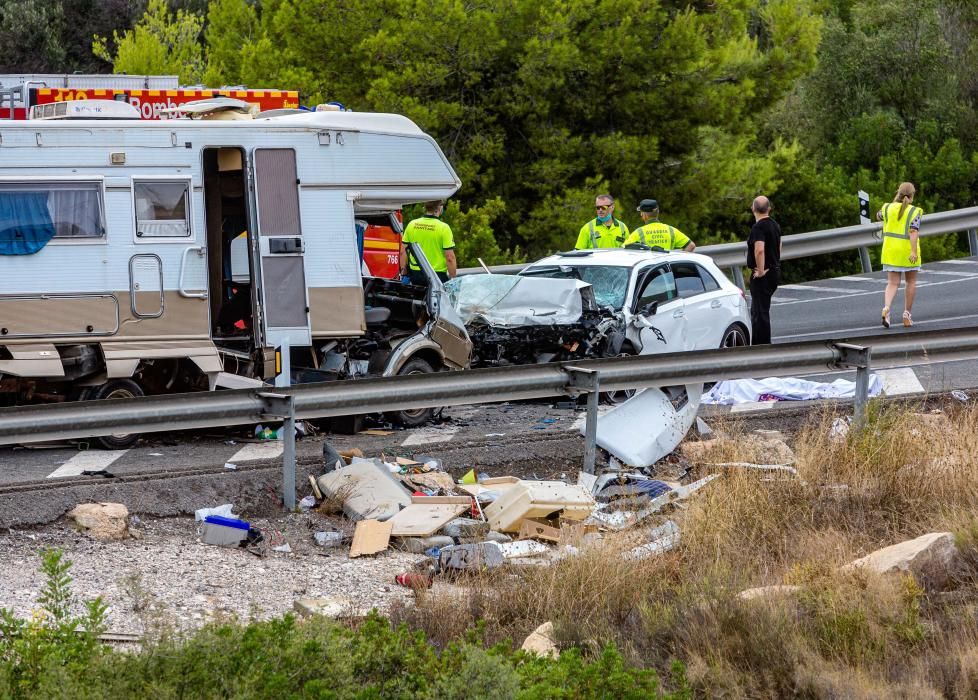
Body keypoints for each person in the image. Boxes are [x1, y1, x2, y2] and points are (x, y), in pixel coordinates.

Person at [878, 182, 922, 328]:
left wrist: (894, 202)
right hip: (906, 252)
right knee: (910, 282)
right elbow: (913, 232)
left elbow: (879, 216)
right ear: (912, 195)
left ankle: (887, 309)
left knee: (892, 283)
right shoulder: (914, 211)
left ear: (898, 193)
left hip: (890, 251)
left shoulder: (887, 208)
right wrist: (913, 251)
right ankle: (907, 315)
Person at [746, 195, 782, 345]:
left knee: (759, 313)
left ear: (753, 209)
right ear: (769, 209)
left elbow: (759, 250)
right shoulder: (775, 225)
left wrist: (760, 271)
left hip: (764, 274)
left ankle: (761, 346)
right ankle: (760, 344)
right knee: (760, 310)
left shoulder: (758, 227)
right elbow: (779, 246)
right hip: (774, 271)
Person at [400, 200, 457, 285]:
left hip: (416, 275)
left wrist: (404, 272)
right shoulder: (444, 228)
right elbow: (450, 257)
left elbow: (402, 252)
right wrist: (453, 279)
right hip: (437, 275)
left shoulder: (412, 224)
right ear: (439, 208)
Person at [622, 199, 695, 251]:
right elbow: (691, 245)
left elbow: (623, 249)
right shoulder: (671, 230)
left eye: (641, 212)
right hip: (667, 271)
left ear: (644, 215)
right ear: (658, 212)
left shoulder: (639, 232)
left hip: (648, 271)